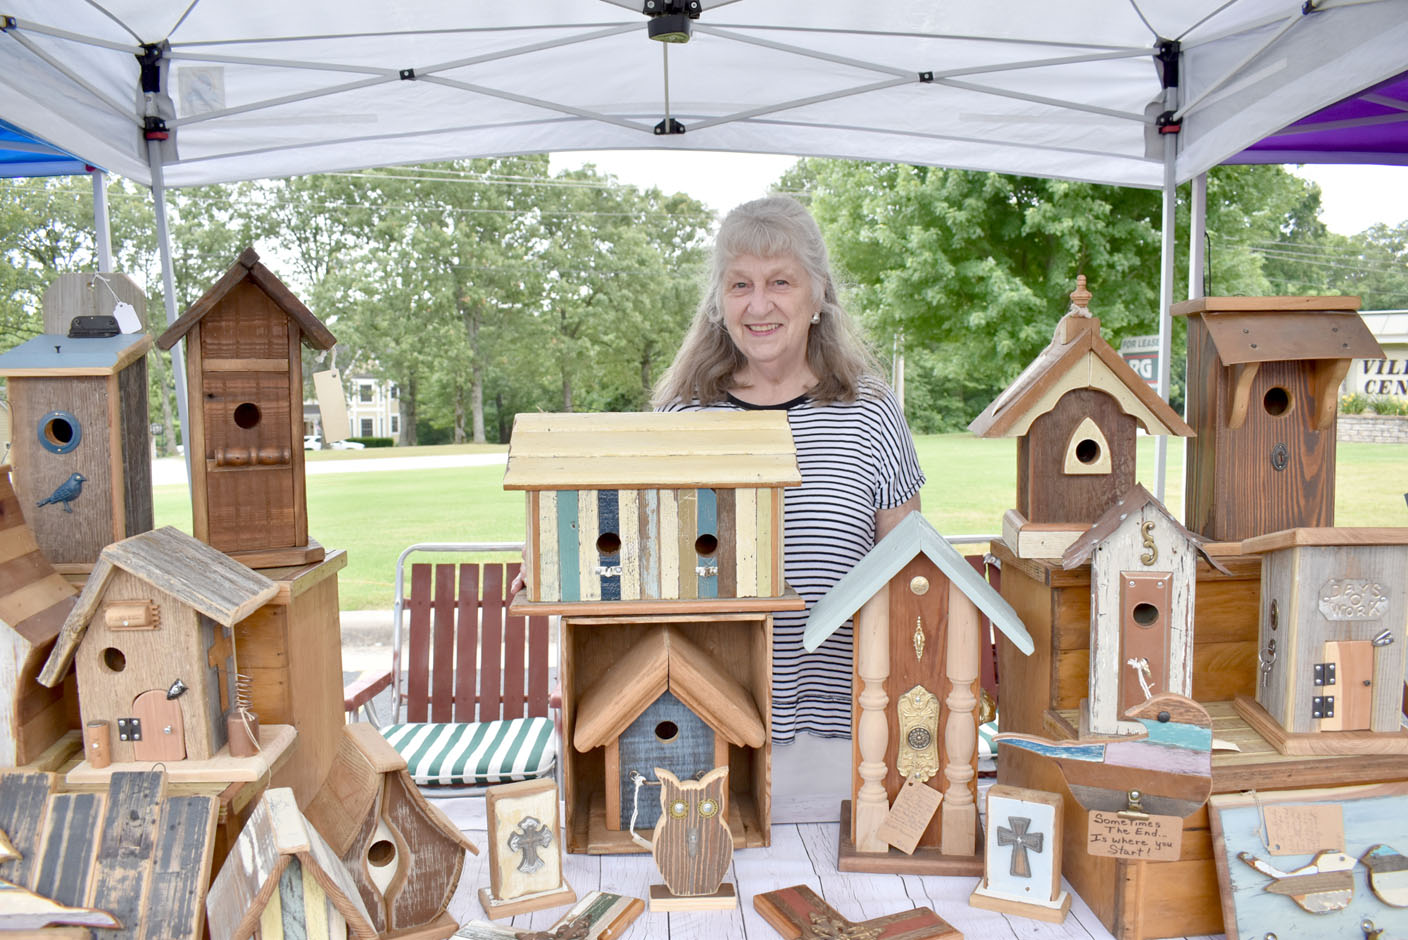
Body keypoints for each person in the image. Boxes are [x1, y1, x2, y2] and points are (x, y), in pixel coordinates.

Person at [653, 195, 925, 821]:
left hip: (847, 737)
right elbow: (643, 562)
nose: (759, 305)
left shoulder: (871, 412)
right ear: (719, 303)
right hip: (710, 733)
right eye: (740, 284)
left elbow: (909, 575)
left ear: (818, 293)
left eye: (780, 282)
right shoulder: (683, 418)